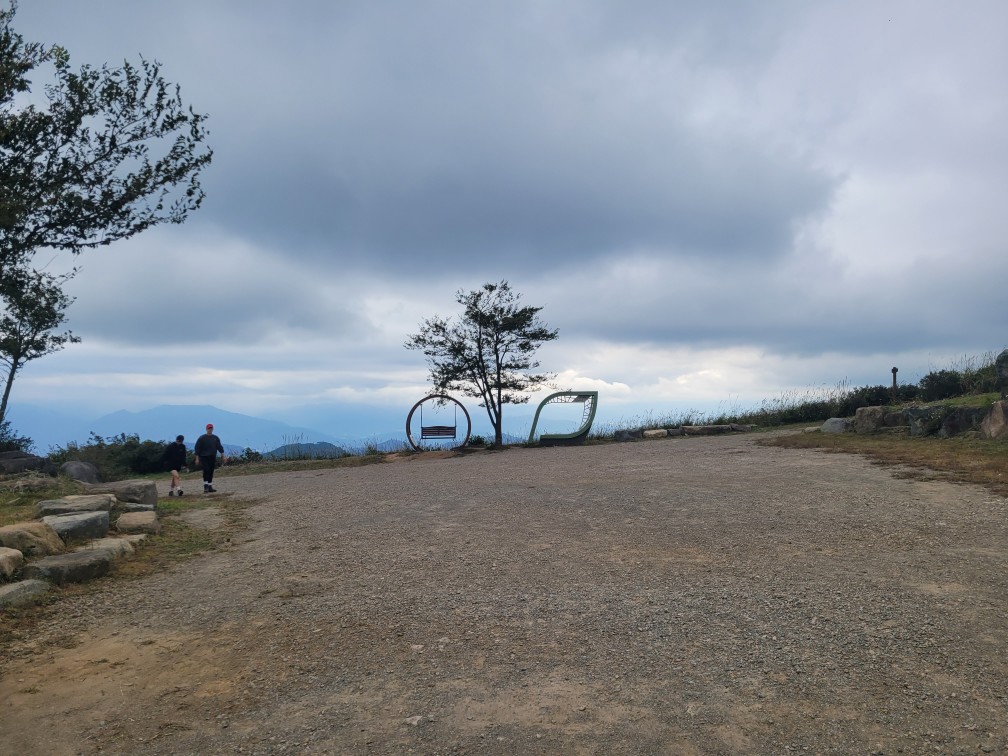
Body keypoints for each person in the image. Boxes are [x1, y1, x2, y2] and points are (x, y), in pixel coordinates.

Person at [194, 423, 226, 493]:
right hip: (204, 457)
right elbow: (197, 448)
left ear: (213, 429)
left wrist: (223, 455)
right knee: (206, 470)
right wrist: (197, 458)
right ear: (206, 429)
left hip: (212, 456)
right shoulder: (202, 438)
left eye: (211, 428)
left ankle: (210, 486)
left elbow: (219, 447)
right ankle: (205, 486)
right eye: (209, 428)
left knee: (211, 471)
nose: (210, 429)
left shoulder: (215, 438)